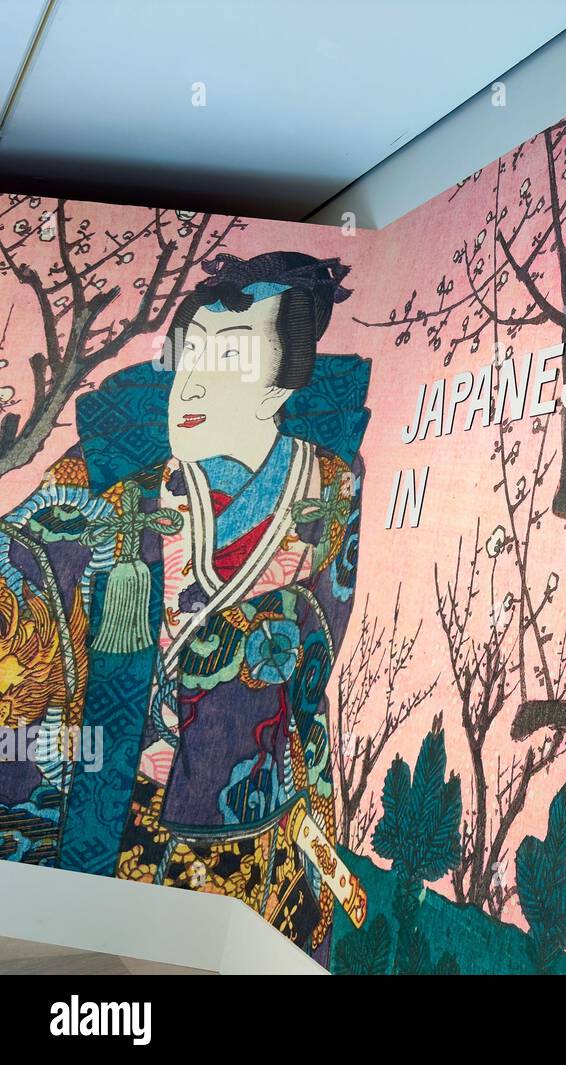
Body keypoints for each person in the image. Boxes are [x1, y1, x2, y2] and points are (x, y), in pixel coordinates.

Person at [0, 251, 370, 962]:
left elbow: (312, 692)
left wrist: (324, 849)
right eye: (189, 351)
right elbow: (19, 567)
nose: (192, 378)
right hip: (112, 830)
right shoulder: (106, 486)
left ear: (278, 383)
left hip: (252, 853)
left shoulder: (331, 493)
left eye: (227, 356)